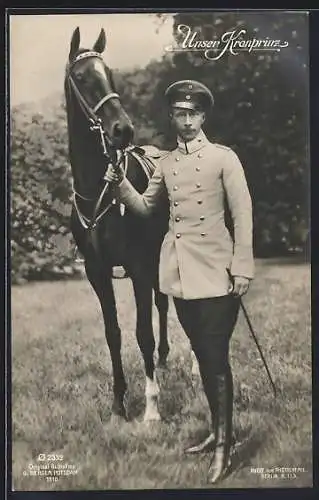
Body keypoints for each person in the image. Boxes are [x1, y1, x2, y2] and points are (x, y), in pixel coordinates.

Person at [105, 79, 254, 484]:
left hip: (219, 271)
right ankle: (216, 433)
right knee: (204, 356)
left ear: (203, 117)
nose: (186, 121)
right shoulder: (167, 164)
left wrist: (242, 267)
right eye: (179, 114)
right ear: (171, 117)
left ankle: (225, 447)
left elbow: (242, 215)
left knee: (215, 355)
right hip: (181, 274)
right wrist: (119, 182)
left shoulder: (225, 159)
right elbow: (144, 206)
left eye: (193, 114)